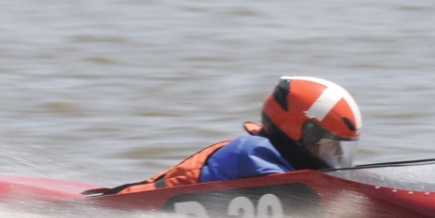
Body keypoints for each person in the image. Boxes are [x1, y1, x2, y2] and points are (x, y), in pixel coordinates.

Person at [107, 76, 362, 194]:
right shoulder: (252, 152)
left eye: (344, 150)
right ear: (303, 135)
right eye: (333, 147)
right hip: (130, 207)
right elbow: (303, 200)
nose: (338, 156)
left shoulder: (286, 162)